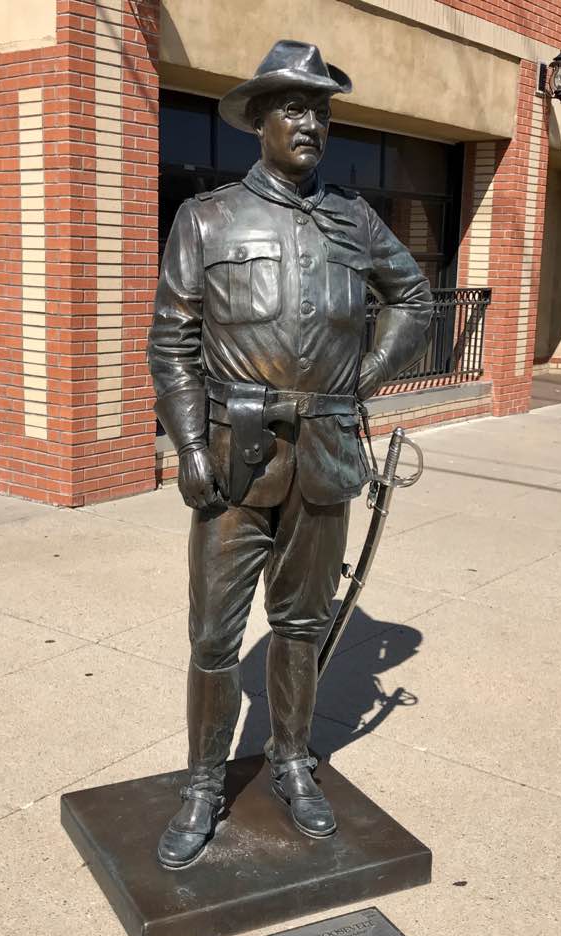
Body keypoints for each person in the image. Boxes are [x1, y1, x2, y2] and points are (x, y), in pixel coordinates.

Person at [148, 39, 432, 868]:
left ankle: (292, 761)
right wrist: (188, 445)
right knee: (213, 634)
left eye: (322, 113)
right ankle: (203, 782)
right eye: (295, 109)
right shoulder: (206, 218)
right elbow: (171, 341)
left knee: (301, 625)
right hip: (234, 457)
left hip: (326, 455)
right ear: (259, 122)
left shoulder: (353, 218)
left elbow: (412, 298)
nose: (311, 124)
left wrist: (364, 376)